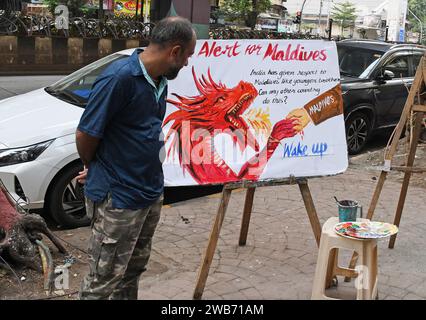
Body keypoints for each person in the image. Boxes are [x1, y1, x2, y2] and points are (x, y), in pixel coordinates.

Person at [75, 16, 197, 300]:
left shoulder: (159, 79)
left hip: (149, 192)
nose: (187, 64)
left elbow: (135, 133)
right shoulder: (118, 79)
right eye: (187, 56)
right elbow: (86, 134)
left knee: (132, 272)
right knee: (102, 282)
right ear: (175, 51)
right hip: (119, 200)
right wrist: (95, 166)